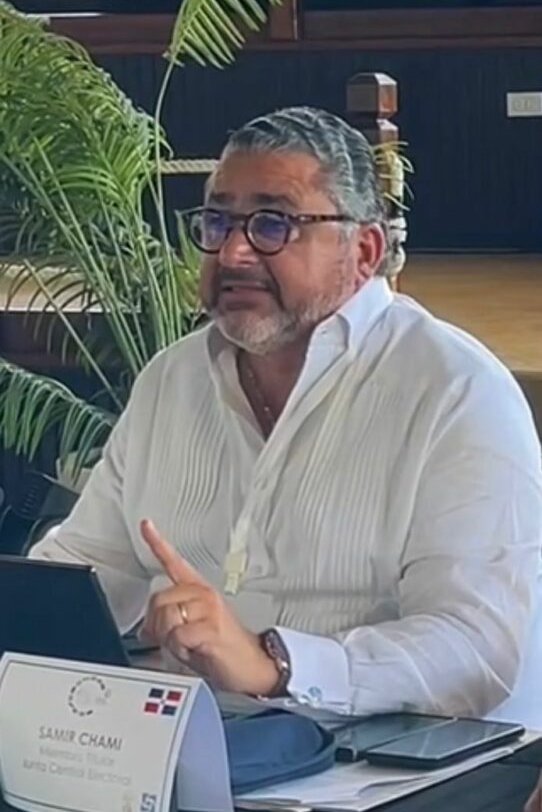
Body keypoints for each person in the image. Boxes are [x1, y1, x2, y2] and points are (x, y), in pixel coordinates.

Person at [32, 106, 542, 718]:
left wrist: (276, 665)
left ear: (364, 250)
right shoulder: (172, 380)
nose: (234, 252)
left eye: (273, 224)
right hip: (195, 740)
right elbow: (81, 579)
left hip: (392, 753)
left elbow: (476, 651)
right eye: (218, 221)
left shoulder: (456, 392)